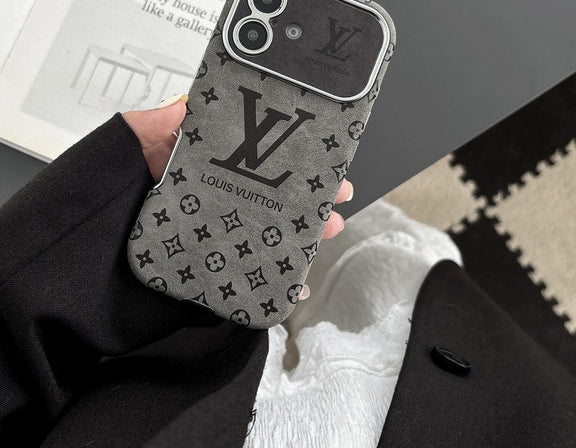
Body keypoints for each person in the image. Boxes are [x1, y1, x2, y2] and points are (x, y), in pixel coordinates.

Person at [0, 97, 575, 447]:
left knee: (359, 256)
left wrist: (95, 208)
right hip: (436, 402)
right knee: (395, 266)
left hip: (173, 393)